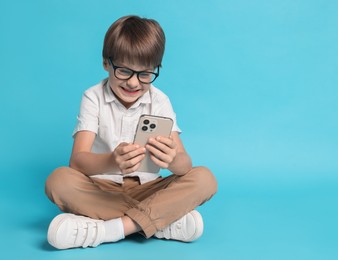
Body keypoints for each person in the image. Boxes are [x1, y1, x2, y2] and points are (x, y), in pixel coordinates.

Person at [45, 15, 218, 250]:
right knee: (59, 181)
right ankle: (159, 221)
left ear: (156, 69)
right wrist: (112, 161)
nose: (134, 83)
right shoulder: (93, 97)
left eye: (145, 74)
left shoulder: (159, 101)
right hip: (103, 190)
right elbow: (77, 162)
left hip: (149, 189)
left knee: (204, 178)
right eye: (124, 71)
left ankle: (109, 229)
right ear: (107, 63)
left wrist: (173, 160)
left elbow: (185, 165)